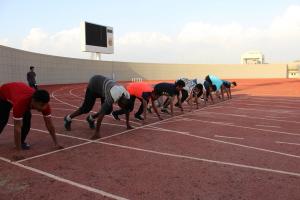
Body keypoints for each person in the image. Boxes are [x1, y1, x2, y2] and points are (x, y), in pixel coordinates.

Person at [0, 82, 63, 159]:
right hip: (3, 95)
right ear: (33, 101)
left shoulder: (45, 105)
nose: (43, 108)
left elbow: (49, 124)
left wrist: (56, 143)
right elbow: (17, 128)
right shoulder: (21, 103)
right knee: (3, 119)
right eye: (41, 105)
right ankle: (18, 146)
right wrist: (18, 152)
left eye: (45, 105)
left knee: (27, 120)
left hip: (19, 93)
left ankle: (21, 142)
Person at [64, 75, 132, 139]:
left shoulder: (127, 96)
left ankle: (91, 118)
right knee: (86, 108)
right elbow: (102, 112)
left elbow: (127, 109)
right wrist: (97, 132)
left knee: (108, 110)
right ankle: (68, 118)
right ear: (121, 102)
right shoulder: (113, 95)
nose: (121, 108)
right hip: (94, 85)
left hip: (104, 88)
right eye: (121, 106)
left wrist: (128, 124)